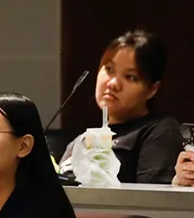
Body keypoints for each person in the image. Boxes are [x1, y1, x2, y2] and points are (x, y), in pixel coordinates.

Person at [59, 30, 182, 183]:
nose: (113, 84)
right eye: (109, 69)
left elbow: (152, 196)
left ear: (152, 89)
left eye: (130, 77)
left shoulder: (160, 131)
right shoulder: (81, 141)